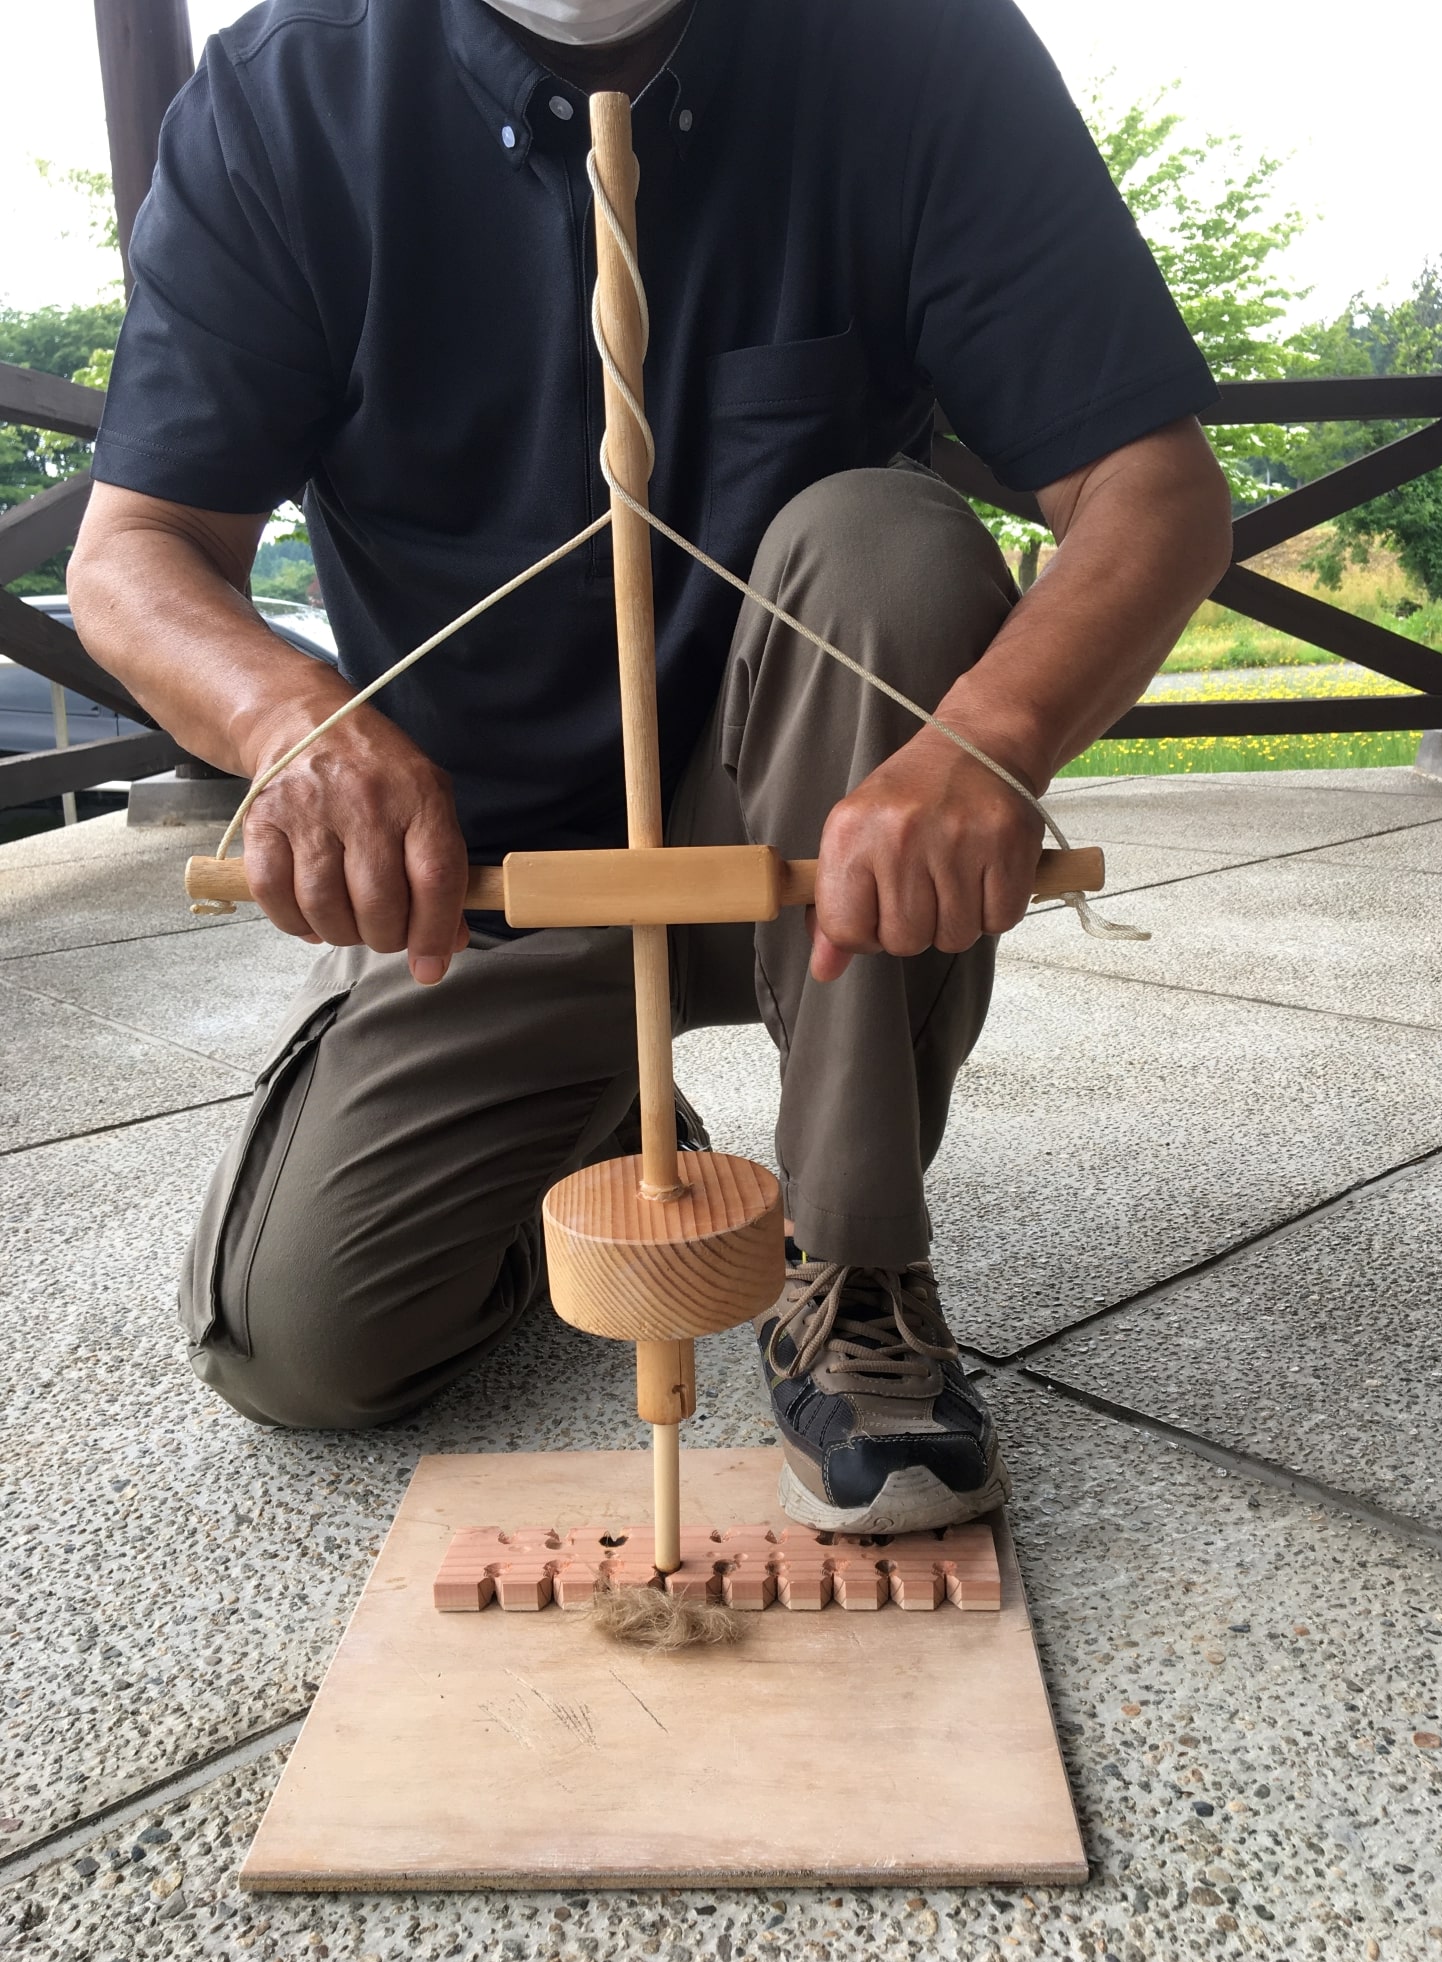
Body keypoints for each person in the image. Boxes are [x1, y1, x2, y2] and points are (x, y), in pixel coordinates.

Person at [69, 0, 1232, 1533]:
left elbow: (1152, 485)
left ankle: (855, 1268)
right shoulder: (293, 95)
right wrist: (296, 723)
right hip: (490, 864)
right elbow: (134, 551)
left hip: (818, 827)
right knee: (306, 1348)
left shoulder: (914, 47)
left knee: (886, 539)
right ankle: (614, 1116)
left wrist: (991, 739)